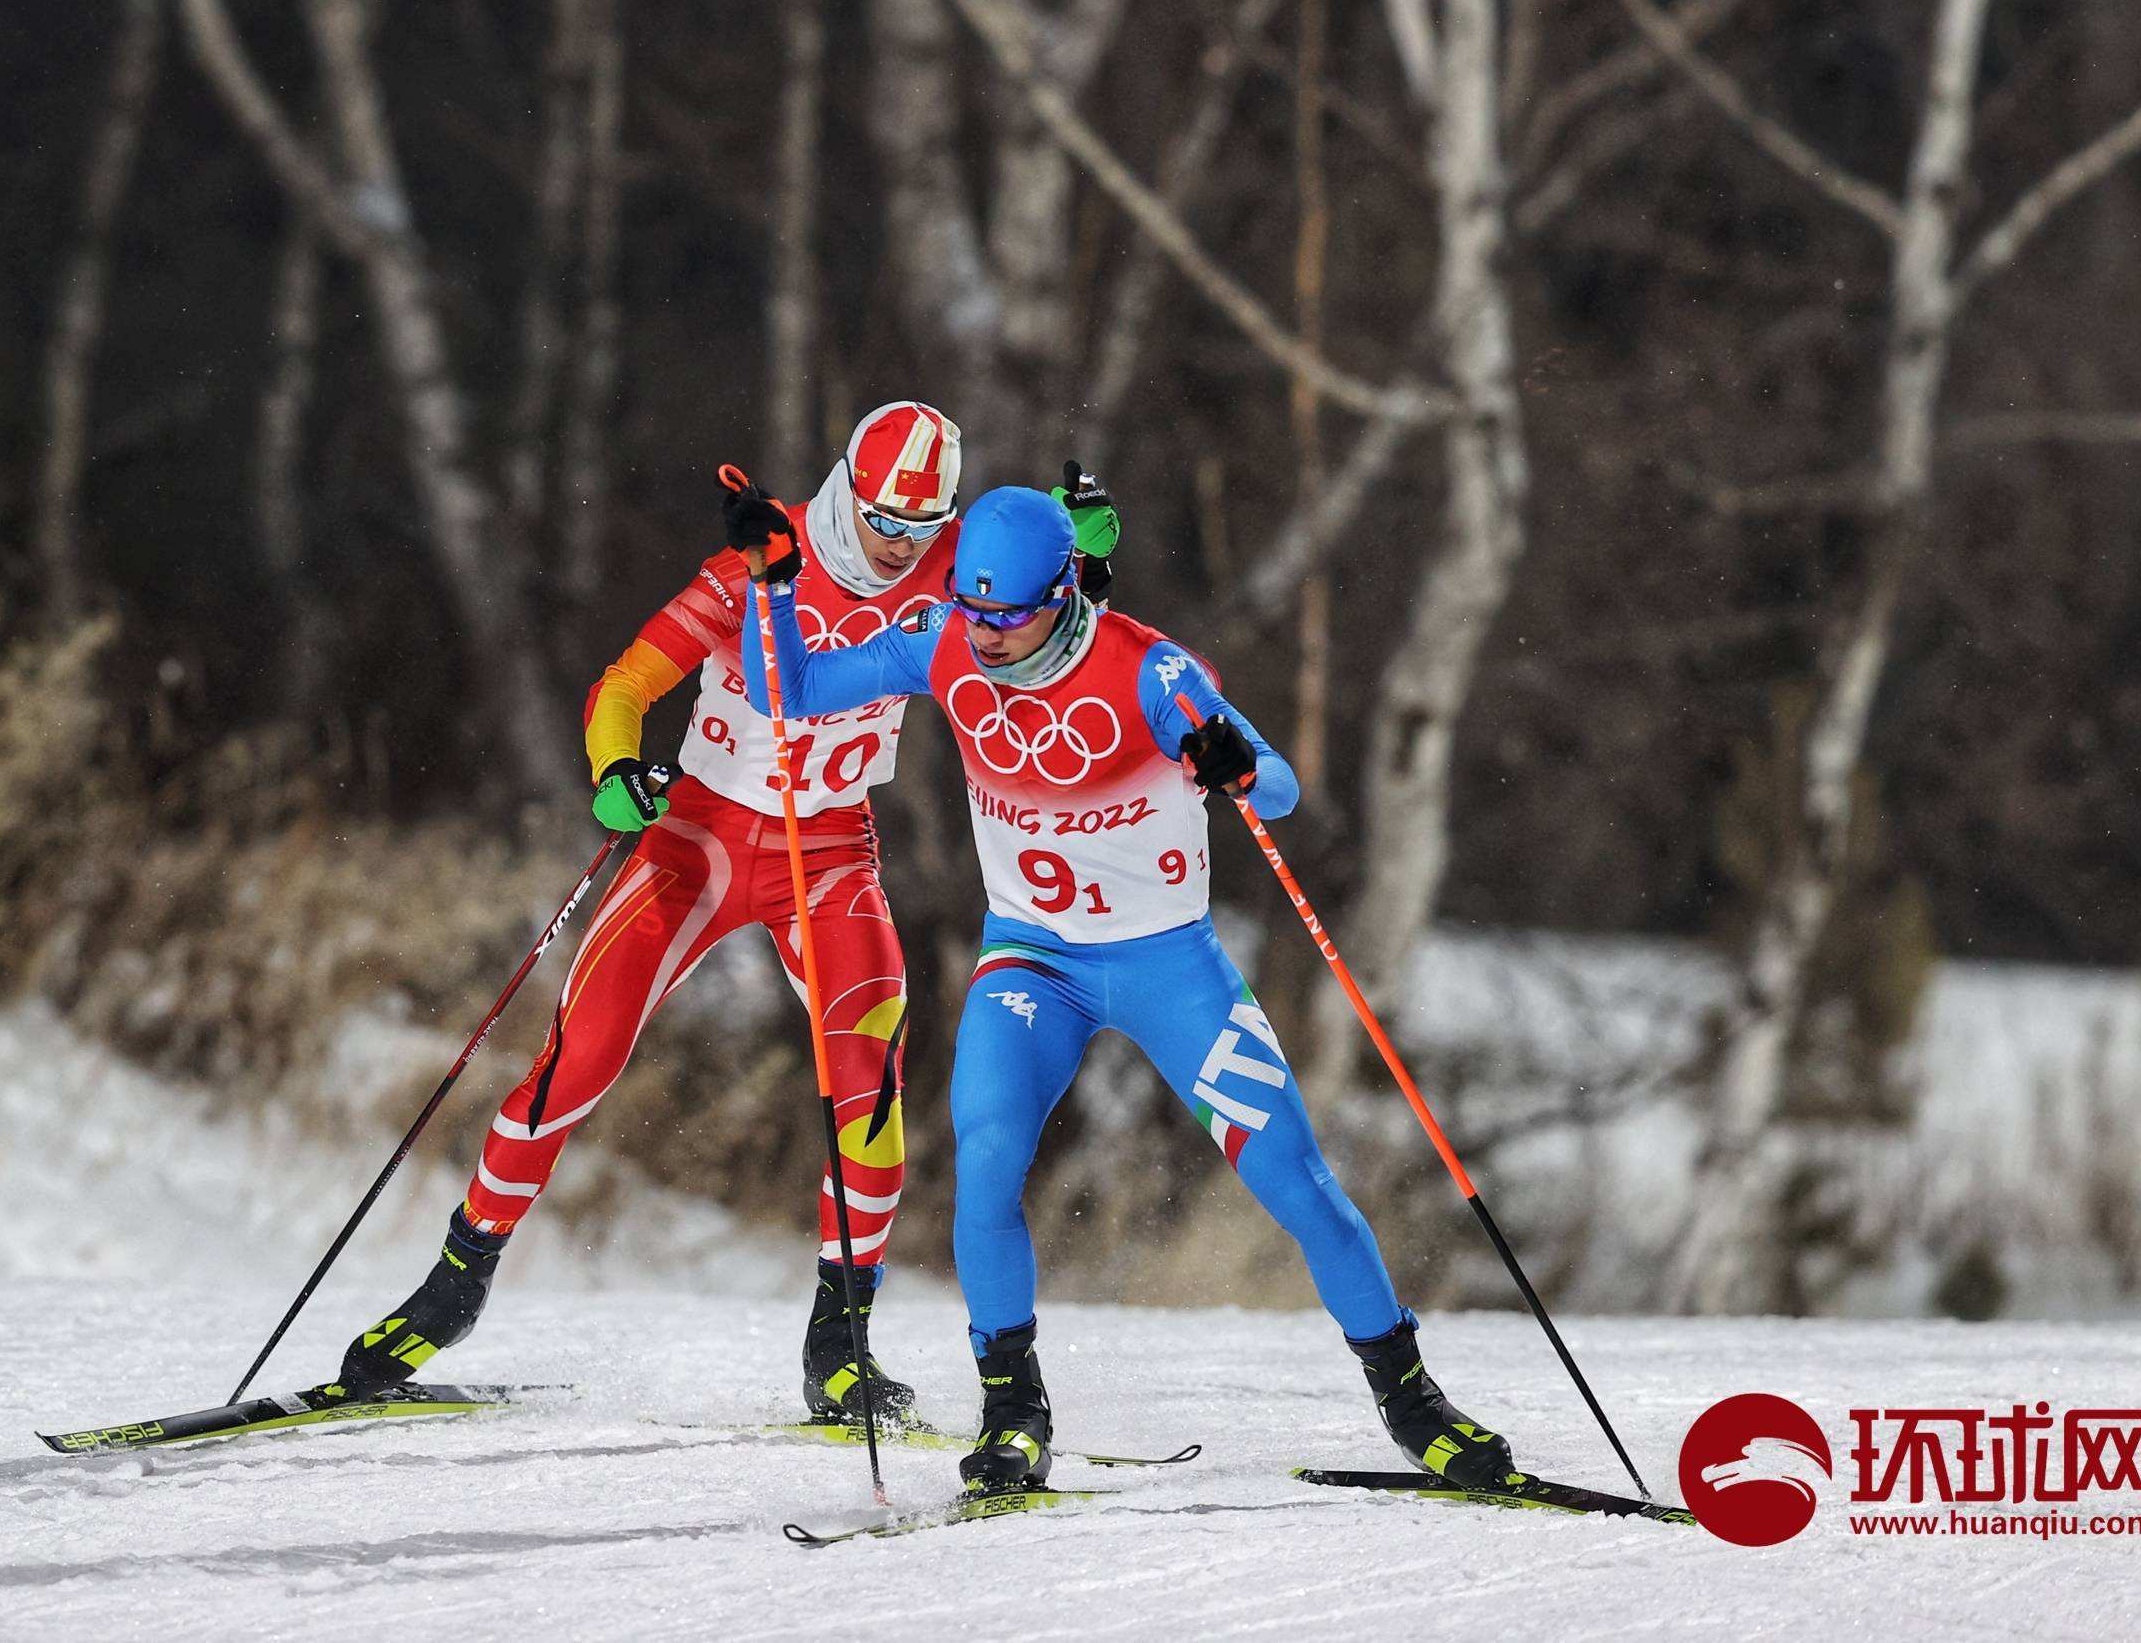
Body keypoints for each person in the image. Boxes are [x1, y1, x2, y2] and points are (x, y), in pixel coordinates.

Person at [736, 480, 1519, 1493]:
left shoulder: (1149, 669)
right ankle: (1013, 1408)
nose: (985, 638)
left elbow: (1275, 787)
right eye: (971, 612)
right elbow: (784, 688)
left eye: (1007, 616)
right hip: (1032, 962)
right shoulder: (943, 643)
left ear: (1062, 592)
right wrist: (774, 580)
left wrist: (1232, 759)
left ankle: (1414, 1403)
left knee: (1295, 1179)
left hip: (1167, 964)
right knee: (983, 1160)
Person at [336, 403, 1049, 1426]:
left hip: (829, 850)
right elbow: (625, 683)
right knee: (578, 1058)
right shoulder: (763, 552)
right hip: (699, 841)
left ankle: (837, 1347)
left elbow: (1036, 639)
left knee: (870, 1075)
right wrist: (615, 766)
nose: (900, 542)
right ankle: (454, 1283)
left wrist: (1074, 569)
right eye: (885, 518)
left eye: (922, 522)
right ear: (849, 483)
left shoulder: (947, 569)